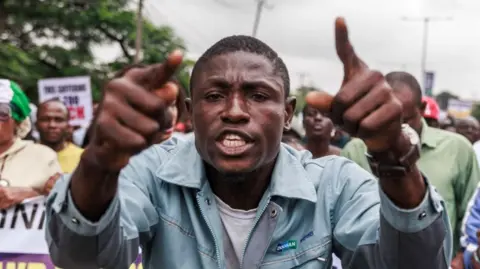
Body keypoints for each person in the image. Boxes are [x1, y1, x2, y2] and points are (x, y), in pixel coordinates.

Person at [45, 18, 450, 268]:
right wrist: (98, 163)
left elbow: (414, 263)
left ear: (288, 113)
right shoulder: (151, 171)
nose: (235, 111)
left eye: (258, 96)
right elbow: (81, 257)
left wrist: (396, 162)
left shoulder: (334, 183)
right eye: (215, 95)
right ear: (189, 110)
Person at [341, 71, 479, 255]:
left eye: (403, 120)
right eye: (386, 120)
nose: (394, 130)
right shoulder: (354, 151)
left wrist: (462, 257)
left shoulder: (458, 150)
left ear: (421, 109)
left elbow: (470, 215)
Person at [0, 79, 62, 209]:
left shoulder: (42, 156)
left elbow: (60, 203)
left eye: (2, 113)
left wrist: (30, 194)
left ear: (17, 121)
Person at [36, 99, 84, 174]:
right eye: (45, 119)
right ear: (36, 124)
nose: (52, 125)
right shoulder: (24, 157)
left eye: (59, 120)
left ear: (68, 126)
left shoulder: (82, 158)